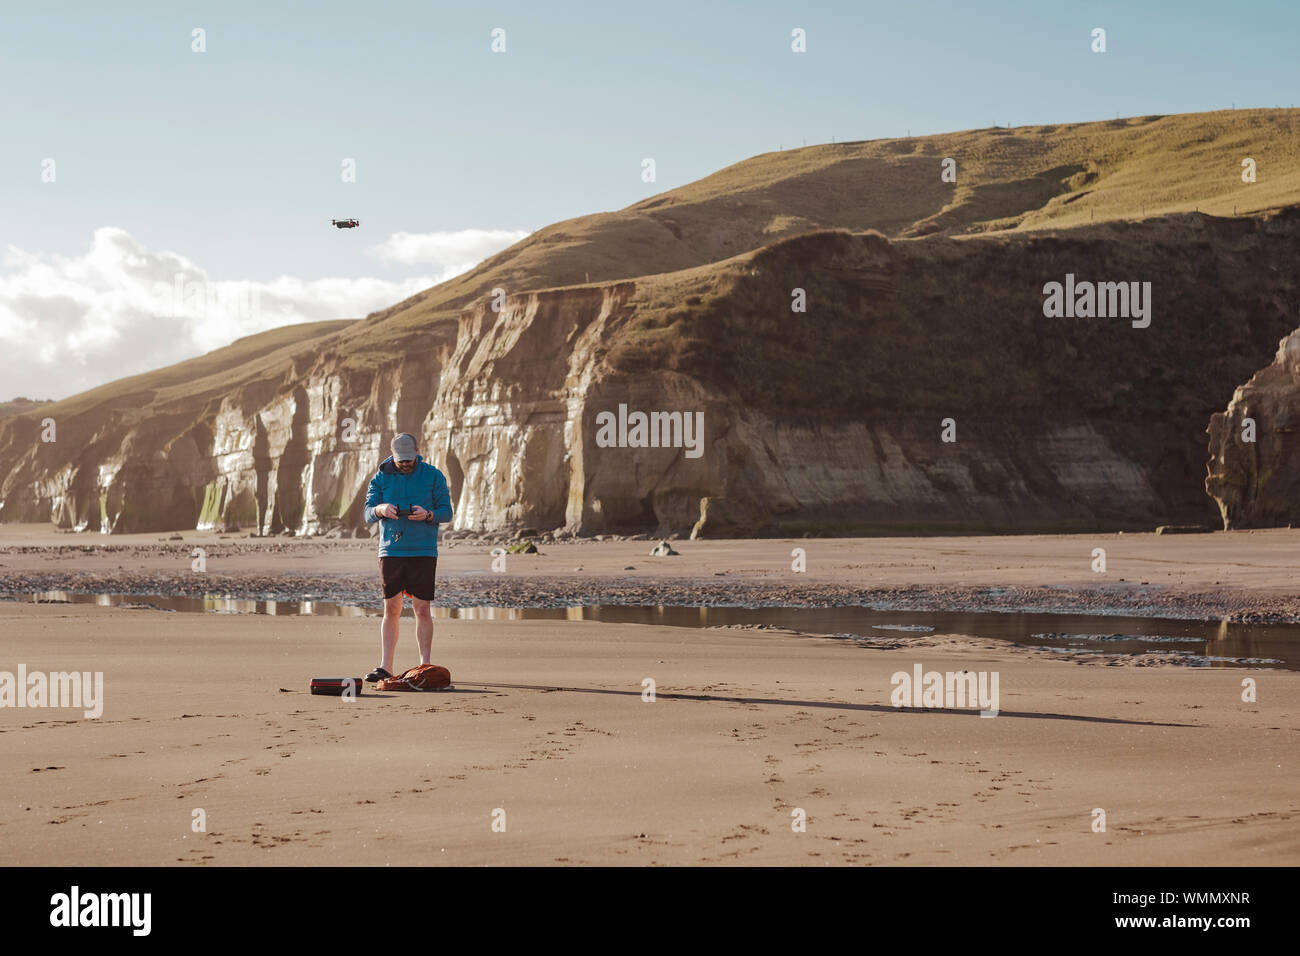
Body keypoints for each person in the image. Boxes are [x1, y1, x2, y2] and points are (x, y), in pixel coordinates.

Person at [361, 433, 453, 682]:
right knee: (391, 608)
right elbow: (367, 512)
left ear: (417, 452)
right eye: (401, 460)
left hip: (423, 550)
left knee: (422, 608)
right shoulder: (380, 477)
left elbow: (447, 512)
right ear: (393, 455)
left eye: (409, 459)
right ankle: (385, 666)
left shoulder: (433, 475)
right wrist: (380, 509)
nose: (405, 463)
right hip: (391, 551)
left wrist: (428, 514)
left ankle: (425, 664)